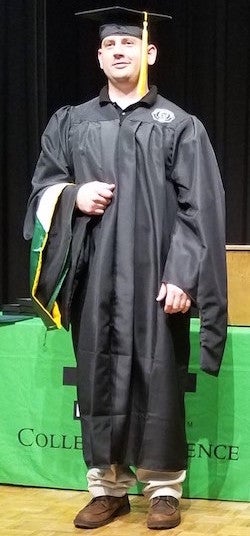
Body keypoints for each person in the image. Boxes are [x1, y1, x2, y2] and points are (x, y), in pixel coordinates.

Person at [24, 5, 227, 531]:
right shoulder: (71, 122)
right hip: (94, 279)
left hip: (157, 280)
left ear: (149, 53)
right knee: (98, 379)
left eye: (129, 44)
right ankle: (108, 489)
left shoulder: (179, 126)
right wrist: (73, 194)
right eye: (110, 46)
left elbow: (198, 208)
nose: (119, 51)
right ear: (99, 56)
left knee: (157, 378)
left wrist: (183, 274)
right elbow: (41, 191)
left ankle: (162, 490)